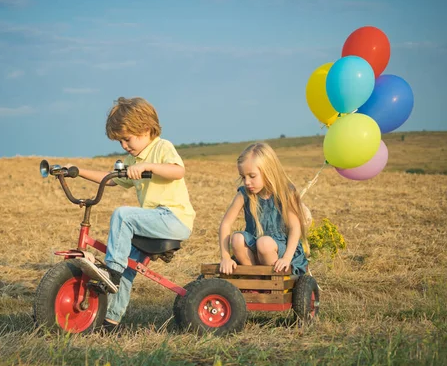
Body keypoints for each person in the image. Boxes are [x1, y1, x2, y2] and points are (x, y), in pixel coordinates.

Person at [71, 96, 196, 331]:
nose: (124, 146)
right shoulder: (132, 159)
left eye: (127, 139)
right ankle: (110, 320)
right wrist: (78, 172)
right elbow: (110, 180)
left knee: (123, 215)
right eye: (120, 142)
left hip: (174, 218)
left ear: (146, 129)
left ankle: (112, 271)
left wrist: (148, 167)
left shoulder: (162, 147)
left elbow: (178, 171)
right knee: (127, 264)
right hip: (153, 221)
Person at [218, 142, 308, 276]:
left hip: (280, 249)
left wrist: (287, 258)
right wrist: (225, 257)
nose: (247, 182)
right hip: (255, 245)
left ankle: (273, 282)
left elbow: (295, 227)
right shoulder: (244, 194)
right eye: (243, 177)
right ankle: (255, 280)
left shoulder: (285, 193)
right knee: (237, 239)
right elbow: (226, 224)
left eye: (252, 176)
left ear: (268, 171)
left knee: (264, 243)